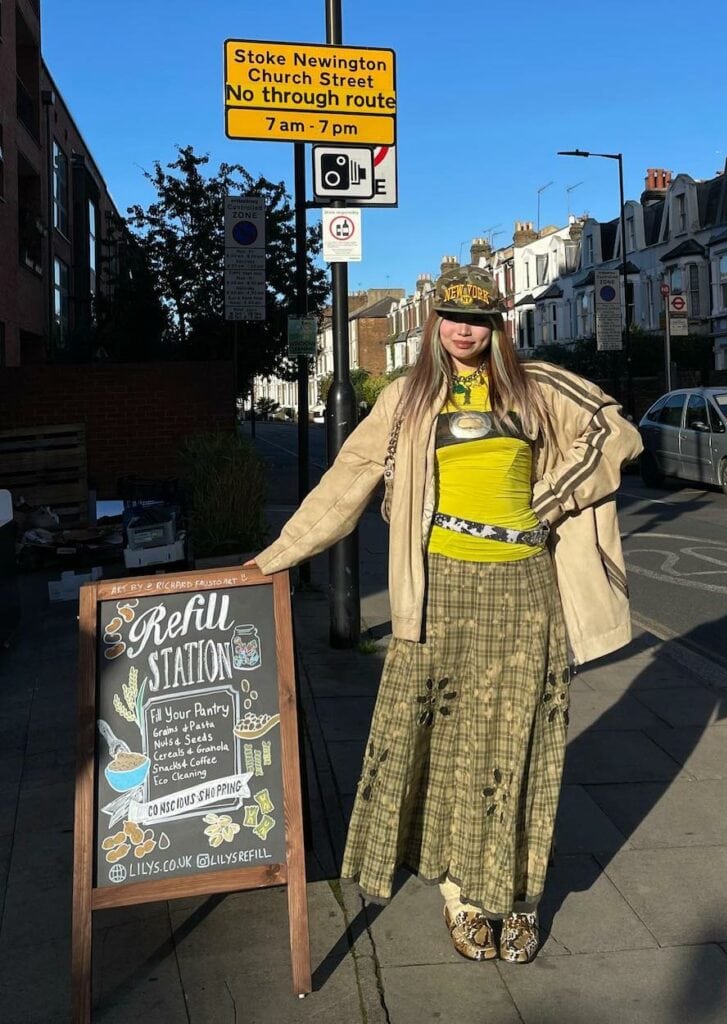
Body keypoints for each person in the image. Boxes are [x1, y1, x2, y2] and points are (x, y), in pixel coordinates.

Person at [250, 264, 642, 963]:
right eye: (453, 317)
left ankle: (519, 896)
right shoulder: (405, 399)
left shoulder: (536, 386)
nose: (465, 330)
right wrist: (273, 559)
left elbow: (615, 433)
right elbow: (345, 483)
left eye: (479, 319)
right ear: (435, 323)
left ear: (497, 326)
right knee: (446, 747)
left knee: (523, 741)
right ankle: (461, 894)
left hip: (526, 586)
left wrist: (551, 499)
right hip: (437, 591)